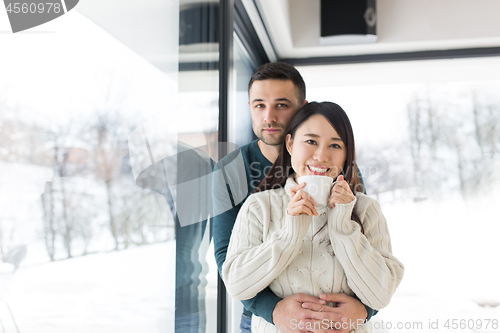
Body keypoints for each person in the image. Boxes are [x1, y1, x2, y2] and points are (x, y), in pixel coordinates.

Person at [213, 63, 377, 333]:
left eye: (281, 105)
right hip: (267, 319)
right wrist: (274, 310)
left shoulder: (336, 167)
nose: (269, 117)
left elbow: (368, 241)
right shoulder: (230, 170)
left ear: (303, 107)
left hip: (338, 320)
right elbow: (225, 257)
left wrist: (364, 309)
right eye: (259, 105)